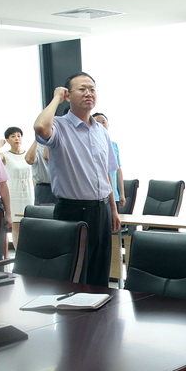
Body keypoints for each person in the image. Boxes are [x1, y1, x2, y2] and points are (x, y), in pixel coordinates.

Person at [33, 72, 120, 286]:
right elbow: (40, 128)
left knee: (100, 274)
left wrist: (113, 209)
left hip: (102, 210)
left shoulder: (101, 131)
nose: (88, 93)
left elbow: (106, 172)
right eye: (82, 89)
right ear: (68, 95)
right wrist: (56, 98)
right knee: (74, 276)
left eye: (92, 89)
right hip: (72, 211)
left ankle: (100, 307)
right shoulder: (59, 126)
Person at [92, 113, 126, 209]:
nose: (101, 125)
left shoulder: (113, 145)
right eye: (97, 122)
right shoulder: (90, 144)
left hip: (114, 195)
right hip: (98, 196)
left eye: (104, 122)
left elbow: (118, 170)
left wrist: (122, 193)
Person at [0, 126, 34, 215]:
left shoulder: (28, 154)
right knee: (14, 217)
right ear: (7, 140)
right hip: (13, 191)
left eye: (19, 136)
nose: (17, 138)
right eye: (13, 136)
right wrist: (0, 145)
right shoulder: (5, 155)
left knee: (29, 216)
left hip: (28, 190)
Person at [27, 140, 52, 205]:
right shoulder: (38, 147)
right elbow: (29, 160)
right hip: (44, 187)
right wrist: (37, 139)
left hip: (61, 187)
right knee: (44, 210)